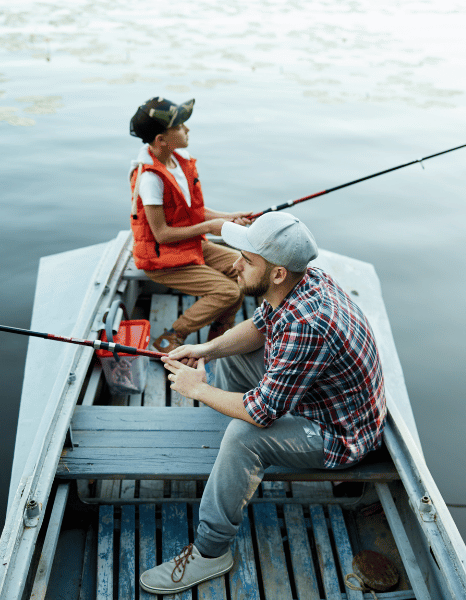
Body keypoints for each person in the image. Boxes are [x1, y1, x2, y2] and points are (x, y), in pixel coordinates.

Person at [139, 212, 388, 595]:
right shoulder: (303, 279)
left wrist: (198, 389)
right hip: (319, 400)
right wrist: (206, 348)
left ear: (276, 274)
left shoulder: (306, 323)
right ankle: (231, 464)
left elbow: (260, 412)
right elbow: (259, 328)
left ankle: (211, 552)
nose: (235, 265)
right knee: (233, 356)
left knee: (243, 435)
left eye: (247, 260)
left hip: (338, 434)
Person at [128, 96, 253, 352]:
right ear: (161, 139)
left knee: (245, 270)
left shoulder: (178, 160)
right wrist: (209, 227)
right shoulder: (150, 179)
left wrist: (228, 217)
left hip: (189, 245)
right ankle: (170, 337)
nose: (187, 129)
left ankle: (220, 332)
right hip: (161, 259)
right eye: (180, 126)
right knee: (228, 292)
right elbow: (161, 235)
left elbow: (193, 211)